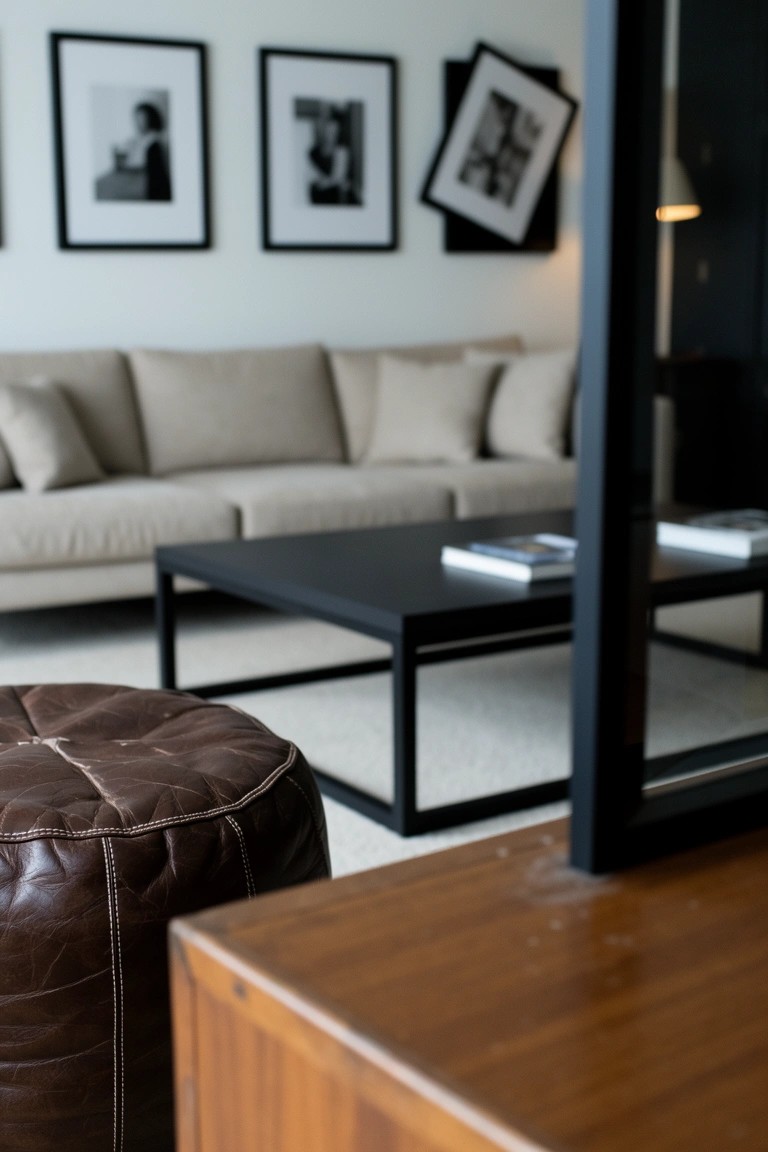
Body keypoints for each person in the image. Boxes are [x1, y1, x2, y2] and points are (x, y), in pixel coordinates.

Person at [114, 101, 171, 201]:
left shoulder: (155, 141)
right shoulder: (138, 139)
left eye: (142, 118)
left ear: (150, 118)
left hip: (152, 186)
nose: (138, 122)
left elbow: (136, 163)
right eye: (136, 118)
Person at [306, 103, 359, 205]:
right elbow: (313, 179)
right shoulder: (313, 153)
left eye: (335, 131)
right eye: (329, 130)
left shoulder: (342, 151)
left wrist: (331, 181)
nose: (331, 135)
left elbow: (338, 178)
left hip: (336, 198)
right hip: (317, 198)